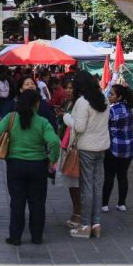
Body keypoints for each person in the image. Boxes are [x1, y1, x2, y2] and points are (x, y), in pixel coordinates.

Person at [0, 90, 61, 245]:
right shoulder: (42, 122)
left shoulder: (11, 118)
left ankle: (15, 237)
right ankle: (36, 236)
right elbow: (54, 141)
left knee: (17, 201)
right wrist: (52, 159)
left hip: (15, 165)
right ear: (37, 104)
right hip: (38, 165)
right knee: (37, 202)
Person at [63, 71, 110, 239]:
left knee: (86, 188)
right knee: (97, 187)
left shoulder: (83, 102)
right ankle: (96, 224)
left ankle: (85, 226)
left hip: (86, 148)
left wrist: (66, 118)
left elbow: (79, 127)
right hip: (101, 147)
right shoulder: (104, 99)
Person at [102, 84, 133, 213]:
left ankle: (104, 204)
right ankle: (122, 204)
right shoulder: (129, 109)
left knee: (109, 176)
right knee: (123, 176)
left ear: (119, 97)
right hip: (128, 148)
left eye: (111, 94)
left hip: (113, 147)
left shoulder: (112, 110)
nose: (109, 96)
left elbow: (105, 126)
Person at [54, 77, 81, 229]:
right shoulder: (67, 103)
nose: (68, 90)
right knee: (71, 182)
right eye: (66, 87)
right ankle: (76, 210)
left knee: (76, 181)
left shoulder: (79, 104)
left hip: (75, 146)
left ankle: (79, 212)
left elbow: (77, 124)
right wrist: (61, 115)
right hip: (65, 143)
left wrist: (64, 116)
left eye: (71, 87)